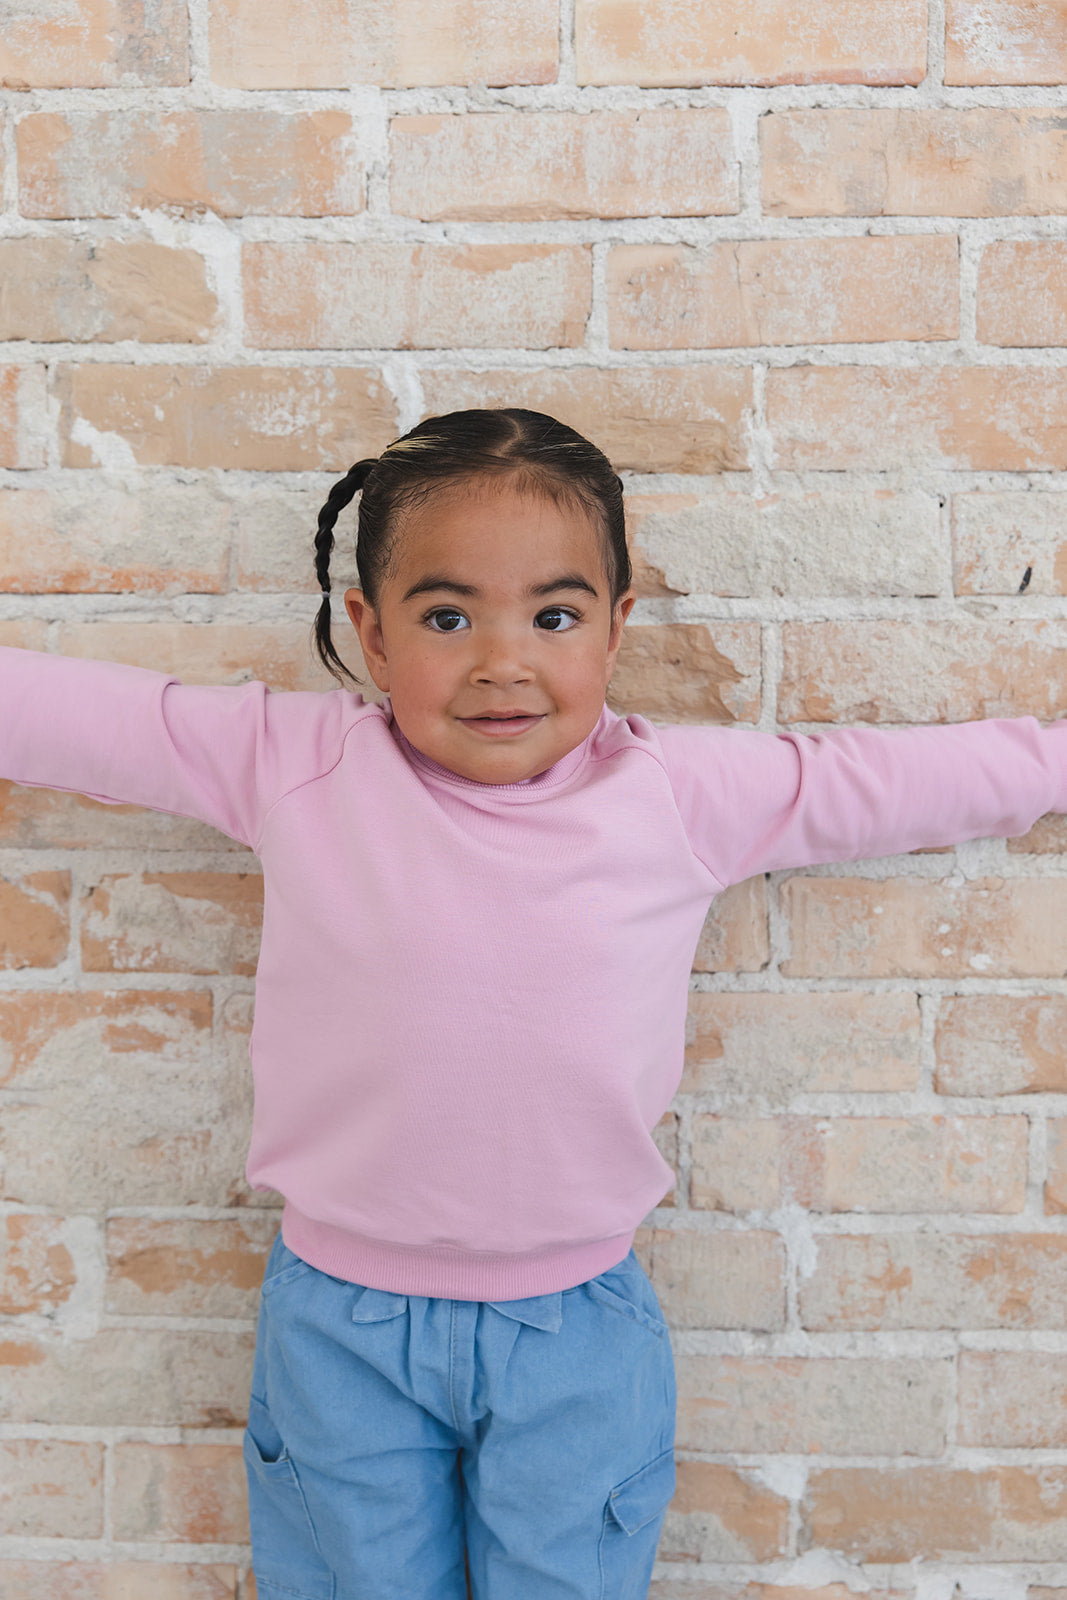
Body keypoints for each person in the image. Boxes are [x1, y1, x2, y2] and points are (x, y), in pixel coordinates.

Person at [2, 406, 1065, 1600]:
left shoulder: (676, 791)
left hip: (575, 1331)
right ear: (369, 629)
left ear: (614, 631)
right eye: (447, 617)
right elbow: (76, 718)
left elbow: (886, 783)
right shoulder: (292, 765)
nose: (501, 660)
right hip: (338, 1329)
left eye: (551, 617)